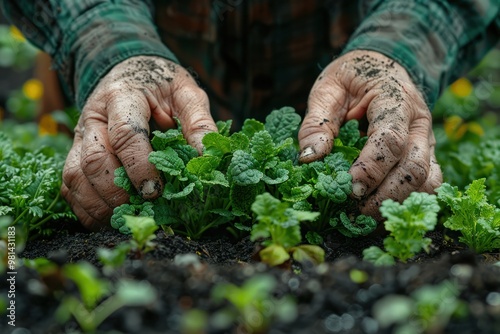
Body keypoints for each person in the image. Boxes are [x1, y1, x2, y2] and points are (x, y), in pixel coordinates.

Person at [1, 1, 499, 230]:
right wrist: (113, 51)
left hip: (337, 91)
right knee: (106, 144)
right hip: (163, 104)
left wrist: (392, 54)